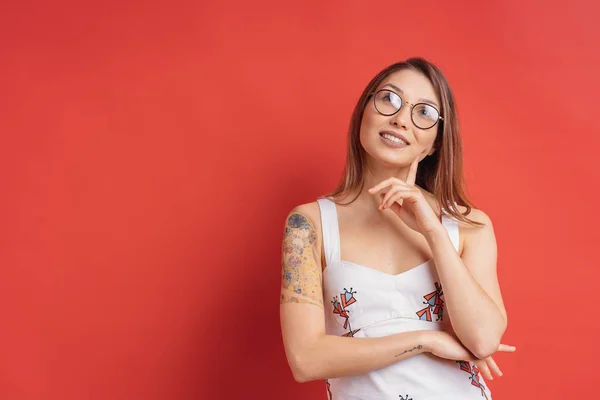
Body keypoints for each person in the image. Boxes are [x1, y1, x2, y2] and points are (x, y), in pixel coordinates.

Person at [279, 57, 516, 399]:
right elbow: (305, 359)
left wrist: (433, 231)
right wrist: (425, 340)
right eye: (389, 99)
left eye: (424, 113)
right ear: (364, 112)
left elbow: (482, 339)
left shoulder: (470, 224)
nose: (401, 119)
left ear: (435, 141)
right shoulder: (309, 224)